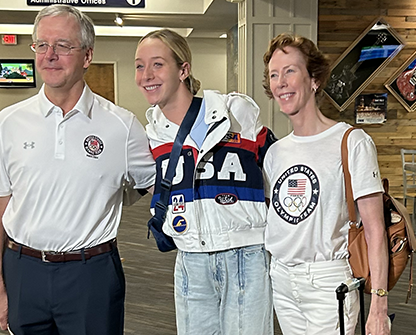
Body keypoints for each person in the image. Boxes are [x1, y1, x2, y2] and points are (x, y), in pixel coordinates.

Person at [0, 4, 156, 335]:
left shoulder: (122, 126)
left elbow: (155, 183)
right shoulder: (9, 122)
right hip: (23, 272)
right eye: (42, 45)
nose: (50, 55)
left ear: (87, 56)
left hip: (92, 276)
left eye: (63, 45)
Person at [134, 29, 275, 335]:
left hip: (246, 255)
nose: (146, 75)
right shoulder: (150, 135)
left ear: (183, 69)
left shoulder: (235, 112)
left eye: (157, 64)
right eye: (139, 65)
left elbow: (275, 171)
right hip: (190, 260)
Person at [262, 33, 391, 335]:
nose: (280, 82)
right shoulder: (275, 152)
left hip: (328, 282)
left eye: (290, 71)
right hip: (281, 278)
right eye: (273, 75)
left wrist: (379, 305)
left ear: (315, 80)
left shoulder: (351, 142)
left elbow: (375, 230)